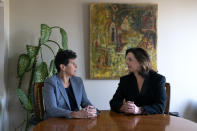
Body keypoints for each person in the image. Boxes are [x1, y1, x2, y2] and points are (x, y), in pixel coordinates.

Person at [110, 48, 167, 115]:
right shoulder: (125, 80)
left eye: (130, 59)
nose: (126, 62)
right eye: (126, 59)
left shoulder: (158, 79)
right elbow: (114, 102)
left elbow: (160, 106)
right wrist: (123, 107)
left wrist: (139, 110)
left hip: (153, 121)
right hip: (130, 122)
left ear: (141, 61)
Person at [43, 50, 97, 119]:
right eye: (73, 63)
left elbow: (85, 101)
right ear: (63, 67)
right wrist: (74, 114)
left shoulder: (78, 81)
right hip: (57, 123)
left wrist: (93, 110)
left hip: (76, 122)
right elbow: (51, 109)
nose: (76, 66)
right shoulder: (50, 82)